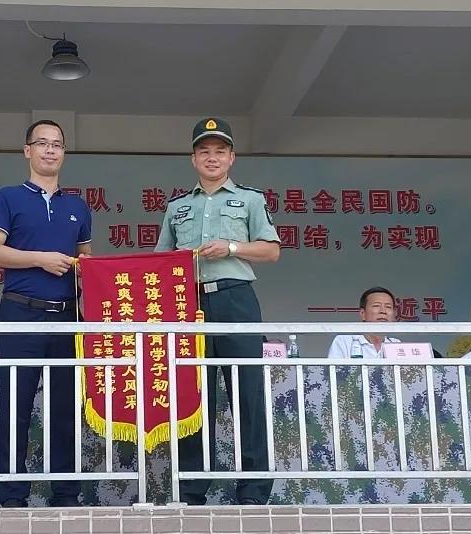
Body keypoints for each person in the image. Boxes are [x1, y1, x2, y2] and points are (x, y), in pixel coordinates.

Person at [155, 117, 280, 506]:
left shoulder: (251, 200)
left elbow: (271, 250)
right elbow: (160, 262)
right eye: (204, 151)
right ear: (193, 159)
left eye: (220, 151)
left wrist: (231, 247)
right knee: (193, 396)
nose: (212, 158)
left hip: (235, 298)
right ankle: (193, 488)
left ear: (231, 158)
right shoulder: (177, 206)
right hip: (188, 302)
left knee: (247, 392)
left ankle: (253, 489)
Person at [0, 119, 92, 508]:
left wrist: (89, 270)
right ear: (27, 150)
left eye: (57, 144)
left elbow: (86, 259)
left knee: (66, 408)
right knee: (16, 405)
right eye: (42, 143)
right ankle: (13, 497)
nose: (50, 150)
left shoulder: (78, 206)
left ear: (64, 153)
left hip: (67, 317)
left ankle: (66, 494)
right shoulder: (9, 198)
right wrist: (40, 259)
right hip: (20, 312)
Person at [327, 286, 400, 359]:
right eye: (376, 306)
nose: (383, 311)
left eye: (388, 307)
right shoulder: (343, 342)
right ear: (363, 314)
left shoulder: (396, 344)